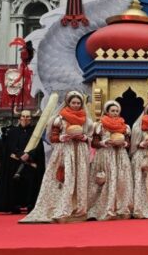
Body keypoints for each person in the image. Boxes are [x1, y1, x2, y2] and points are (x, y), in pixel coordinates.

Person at [20, 91, 93, 223]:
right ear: (68, 103)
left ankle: (78, 209)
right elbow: (52, 138)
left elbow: (91, 138)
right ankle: (60, 208)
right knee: (64, 179)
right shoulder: (59, 119)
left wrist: (84, 137)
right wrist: (61, 137)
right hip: (64, 151)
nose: (76, 105)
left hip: (80, 152)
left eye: (78, 103)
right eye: (73, 103)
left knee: (79, 179)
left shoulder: (86, 120)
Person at [87, 101, 133, 221]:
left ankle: (121, 208)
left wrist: (124, 143)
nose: (115, 113)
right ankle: (104, 208)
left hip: (120, 156)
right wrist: (104, 142)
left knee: (121, 181)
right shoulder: (99, 125)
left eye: (117, 111)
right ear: (107, 112)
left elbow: (129, 144)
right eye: (112, 111)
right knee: (105, 181)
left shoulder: (124, 126)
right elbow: (94, 143)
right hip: (105, 155)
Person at [0, 109, 45, 215]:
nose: (25, 119)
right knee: (15, 185)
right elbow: (10, 146)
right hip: (15, 164)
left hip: (31, 164)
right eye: (23, 116)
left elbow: (38, 148)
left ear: (31, 119)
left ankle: (30, 205)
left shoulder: (35, 132)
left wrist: (29, 155)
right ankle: (15, 205)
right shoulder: (12, 132)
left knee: (31, 185)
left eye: (28, 117)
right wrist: (20, 155)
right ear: (19, 118)